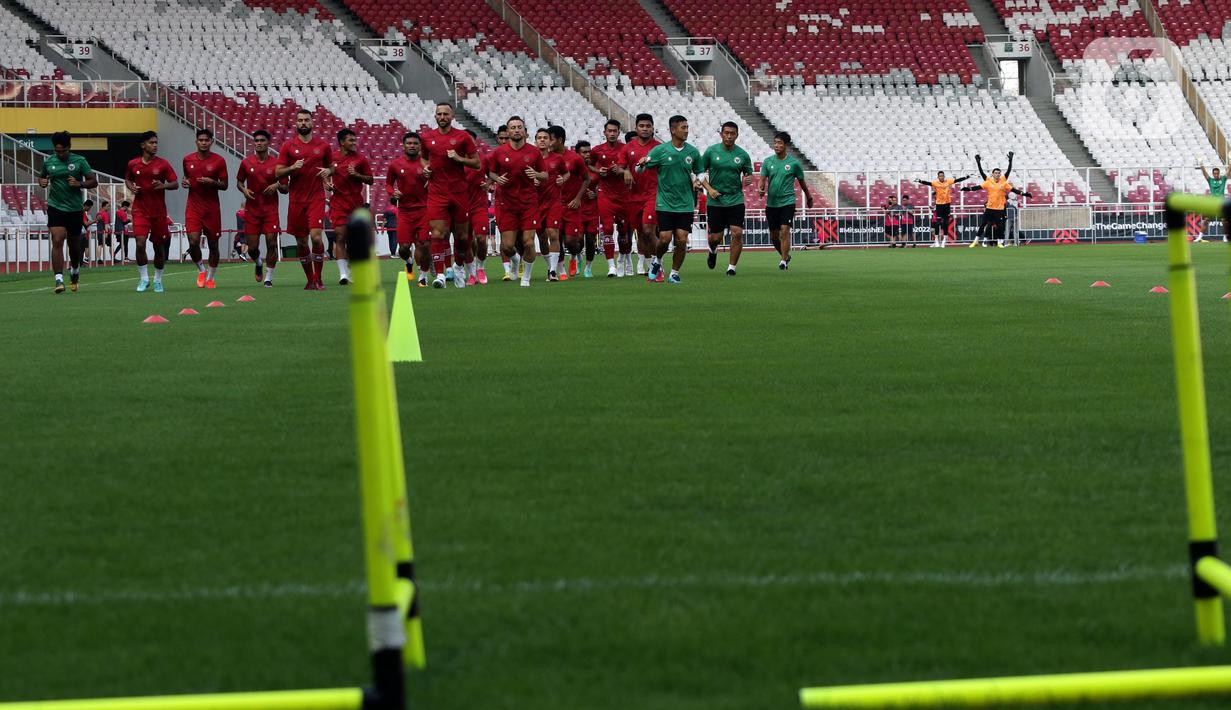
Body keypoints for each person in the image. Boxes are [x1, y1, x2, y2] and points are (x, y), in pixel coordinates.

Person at [636, 114, 702, 284]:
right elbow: (639, 170)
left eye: (687, 127)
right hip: (665, 203)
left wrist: (698, 179)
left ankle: (674, 272)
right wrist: (641, 163)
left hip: (685, 204)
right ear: (673, 130)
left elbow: (700, 171)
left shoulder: (692, 152)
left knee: (681, 239)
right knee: (664, 238)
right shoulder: (660, 150)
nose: (686, 131)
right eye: (683, 128)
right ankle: (657, 261)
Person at [421, 102, 480, 289]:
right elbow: (423, 158)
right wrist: (426, 168)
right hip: (437, 193)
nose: (442, 117)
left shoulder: (462, 137)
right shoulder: (427, 137)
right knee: (437, 233)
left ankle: (459, 266)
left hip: (459, 192)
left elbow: (477, 163)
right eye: (439, 114)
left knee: (462, 238)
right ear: (435, 116)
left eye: (446, 114)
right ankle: (440, 274)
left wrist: (459, 158)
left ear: (452, 116)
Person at [276, 109, 334, 290]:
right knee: (301, 242)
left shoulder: (323, 146)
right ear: (295, 123)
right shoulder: (287, 146)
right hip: (296, 200)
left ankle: (318, 277)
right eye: (300, 120)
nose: (303, 123)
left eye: (306, 120)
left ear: (312, 123)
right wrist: (292, 167)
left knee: (316, 238)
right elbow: (278, 172)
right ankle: (310, 280)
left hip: (316, 197)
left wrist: (329, 172)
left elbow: (332, 167)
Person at [488, 116, 546, 286]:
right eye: (512, 127)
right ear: (508, 131)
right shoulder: (498, 152)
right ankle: (514, 261)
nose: (516, 130)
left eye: (519, 127)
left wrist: (536, 175)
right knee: (507, 246)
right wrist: (497, 178)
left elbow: (545, 175)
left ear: (524, 130)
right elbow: (490, 172)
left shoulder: (534, 152)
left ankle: (526, 277)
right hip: (506, 204)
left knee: (528, 242)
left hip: (528, 203)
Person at [38, 131, 97, 293]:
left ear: (69, 147)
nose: (60, 153)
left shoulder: (79, 161)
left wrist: (80, 184)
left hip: (75, 209)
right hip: (55, 206)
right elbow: (42, 177)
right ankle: (58, 279)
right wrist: (42, 182)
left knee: (74, 246)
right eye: (57, 151)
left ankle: (75, 271)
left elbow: (94, 181)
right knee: (57, 239)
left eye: (63, 150)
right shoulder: (49, 161)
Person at [124, 130, 178, 292]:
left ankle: (158, 279)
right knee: (140, 243)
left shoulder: (163, 164)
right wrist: (131, 187)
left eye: (156, 143)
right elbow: (128, 179)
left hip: (159, 212)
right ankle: (143, 279)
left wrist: (163, 185)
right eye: (151, 143)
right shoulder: (133, 164)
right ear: (143, 145)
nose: (155, 145)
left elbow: (174, 183)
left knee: (158, 246)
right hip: (140, 210)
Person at [700, 122, 754, 276]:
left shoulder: (743, 155)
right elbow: (700, 172)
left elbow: (748, 174)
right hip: (716, 201)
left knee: (737, 233)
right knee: (716, 237)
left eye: (733, 133)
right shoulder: (711, 151)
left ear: (737, 135)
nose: (729, 136)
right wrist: (709, 189)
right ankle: (712, 249)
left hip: (735, 199)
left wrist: (748, 179)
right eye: (727, 133)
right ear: (721, 134)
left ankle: (731, 267)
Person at [237, 129, 288, 287]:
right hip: (252, 211)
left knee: (271, 243)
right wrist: (244, 190)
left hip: (270, 211)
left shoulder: (277, 164)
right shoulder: (246, 162)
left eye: (262, 141)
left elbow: (286, 188)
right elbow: (239, 182)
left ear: (268, 143)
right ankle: (258, 263)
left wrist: (277, 184)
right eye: (257, 141)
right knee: (252, 248)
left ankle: (269, 277)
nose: (259, 143)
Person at [180, 128, 229, 289]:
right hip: (193, 207)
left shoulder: (219, 161)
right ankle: (201, 269)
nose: (203, 143)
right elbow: (186, 178)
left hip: (212, 209)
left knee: (213, 245)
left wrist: (212, 182)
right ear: (196, 142)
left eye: (206, 140)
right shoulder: (187, 160)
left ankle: (211, 277)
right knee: (193, 242)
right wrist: (185, 182)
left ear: (211, 142)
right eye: (200, 140)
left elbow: (225, 185)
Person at [759, 132, 813, 270]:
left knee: (784, 231)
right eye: (775, 142)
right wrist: (760, 189)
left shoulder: (794, 164)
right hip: (772, 204)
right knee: (774, 236)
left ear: (786, 145)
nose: (776, 145)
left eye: (780, 143)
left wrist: (809, 197)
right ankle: (785, 256)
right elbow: (762, 180)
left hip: (788, 202)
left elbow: (802, 183)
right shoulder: (767, 161)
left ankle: (783, 261)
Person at [327, 127, 374, 285]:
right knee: (340, 236)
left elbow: (370, 180)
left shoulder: (360, 159)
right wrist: (327, 184)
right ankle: (343, 274)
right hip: (339, 202)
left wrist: (357, 175)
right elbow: (324, 174)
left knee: (355, 240)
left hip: (356, 203)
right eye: (351, 140)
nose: (355, 143)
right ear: (341, 142)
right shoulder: (332, 158)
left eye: (355, 140)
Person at [387, 131, 431, 286]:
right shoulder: (395, 164)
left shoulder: (427, 163)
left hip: (424, 209)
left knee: (424, 244)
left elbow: (438, 179)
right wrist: (393, 192)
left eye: (415, 143)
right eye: (409, 143)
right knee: (404, 248)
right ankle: (409, 261)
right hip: (405, 212)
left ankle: (423, 275)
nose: (412, 146)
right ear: (403, 145)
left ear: (420, 146)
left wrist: (431, 182)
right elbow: (388, 184)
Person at [961, 153, 1031, 247]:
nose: (997, 174)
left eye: (999, 173)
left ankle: (999, 243)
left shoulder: (1004, 182)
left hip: (1000, 209)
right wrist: (968, 189)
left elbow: (1014, 189)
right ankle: (976, 241)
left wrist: (1024, 194)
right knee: (983, 225)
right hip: (990, 207)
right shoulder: (988, 181)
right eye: (995, 173)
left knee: (1000, 226)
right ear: (992, 174)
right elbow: (978, 186)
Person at [621, 114, 662, 278]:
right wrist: (625, 171)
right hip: (633, 197)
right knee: (642, 234)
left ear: (652, 128)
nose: (645, 129)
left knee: (648, 230)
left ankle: (658, 264)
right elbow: (618, 167)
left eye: (648, 126)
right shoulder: (628, 148)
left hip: (653, 194)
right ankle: (651, 262)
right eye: (642, 126)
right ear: (636, 128)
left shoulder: (659, 148)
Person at [591, 119, 630, 277]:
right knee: (607, 228)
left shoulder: (626, 149)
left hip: (623, 194)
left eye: (615, 131)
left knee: (624, 230)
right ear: (604, 132)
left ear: (619, 132)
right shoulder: (597, 150)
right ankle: (611, 265)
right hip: (605, 194)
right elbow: (589, 165)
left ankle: (623, 259)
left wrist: (621, 170)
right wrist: (598, 171)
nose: (612, 133)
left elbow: (631, 167)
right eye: (610, 131)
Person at [552, 125, 590, 280]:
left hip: (571, 205)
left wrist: (578, 198)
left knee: (571, 241)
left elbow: (587, 179)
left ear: (560, 140)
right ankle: (560, 269)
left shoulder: (574, 159)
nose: (548, 142)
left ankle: (574, 255)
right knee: (556, 237)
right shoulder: (546, 158)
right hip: (554, 205)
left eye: (551, 139)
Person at [464, 128, 491, 285]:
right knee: (465, 241)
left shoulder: (483, 159)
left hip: (479, 205)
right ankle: (471, 273)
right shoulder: (455, 160)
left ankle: (481, 268)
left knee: (481, 238)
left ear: (475, 142)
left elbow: (494, 174)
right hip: (461, 206)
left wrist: (488, 183)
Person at [915, 171, 970, 248]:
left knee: (946, 222)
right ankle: (936, 240)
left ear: (944, 176)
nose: (941, 177)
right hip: (939, 204)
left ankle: (944, 240)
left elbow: (957, 180)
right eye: (940, 176)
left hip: (947, 204)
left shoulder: (948, 181)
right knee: (938, 222)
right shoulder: (935, 183)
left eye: (942, 176)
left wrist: (966, 177)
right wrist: (920, 181)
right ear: (938, 177)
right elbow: (928, 183)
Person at [575, 140, 602, 278]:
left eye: (588, 152)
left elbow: (604, 188)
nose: (587, 154)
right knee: (577, 240)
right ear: (577, 153)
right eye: (584, 152)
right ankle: (578, 257)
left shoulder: (596, 169)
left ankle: (588, 267)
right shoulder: (572, 169)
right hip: (577, 209)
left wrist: (596, 194)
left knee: (591, 240)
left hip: (592, 209)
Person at [1197, 160, 1229, 242]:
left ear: (1219, 173)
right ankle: (1199, 237)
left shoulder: (1223, 179)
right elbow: (1205, 173)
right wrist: (1201, 164)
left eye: (1217, 173)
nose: (1216, 175)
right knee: (1206, 221)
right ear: (1213, 174)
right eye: (1214, 173)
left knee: (1224, 221)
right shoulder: (1210, 180)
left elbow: (1229, 170)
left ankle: (1225, 237)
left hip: (1221, 204)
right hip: (1212, 204)